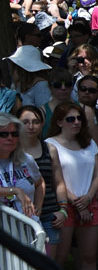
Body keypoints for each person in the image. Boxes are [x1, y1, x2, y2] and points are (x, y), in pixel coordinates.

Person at [46, 101, 98, 270]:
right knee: (60, 256)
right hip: (64, 205)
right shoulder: (51, 145)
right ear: (60, 122)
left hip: (89, 202)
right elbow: (56, 180)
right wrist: (77, 203)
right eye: (71, 119)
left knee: (89, 256)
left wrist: (88, 198)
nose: (76, 122)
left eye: (79, 118)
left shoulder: (90, 143)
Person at [17, 105, 65, 255]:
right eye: (25, 122)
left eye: (36, 122)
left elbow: (58, 182)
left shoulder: (50, 149)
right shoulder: (11, 152)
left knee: (49, 266)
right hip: (21, 215)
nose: (31, 126)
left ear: (42, 124)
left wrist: (63, 210)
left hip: (49, 214)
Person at [0, 112, 42, 223]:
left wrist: (38, 207)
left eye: (14, 134)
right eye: (4, 134)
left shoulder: (26, 160)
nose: (10, 138)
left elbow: (40, 183)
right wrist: (15, 191)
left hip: (28, 229)